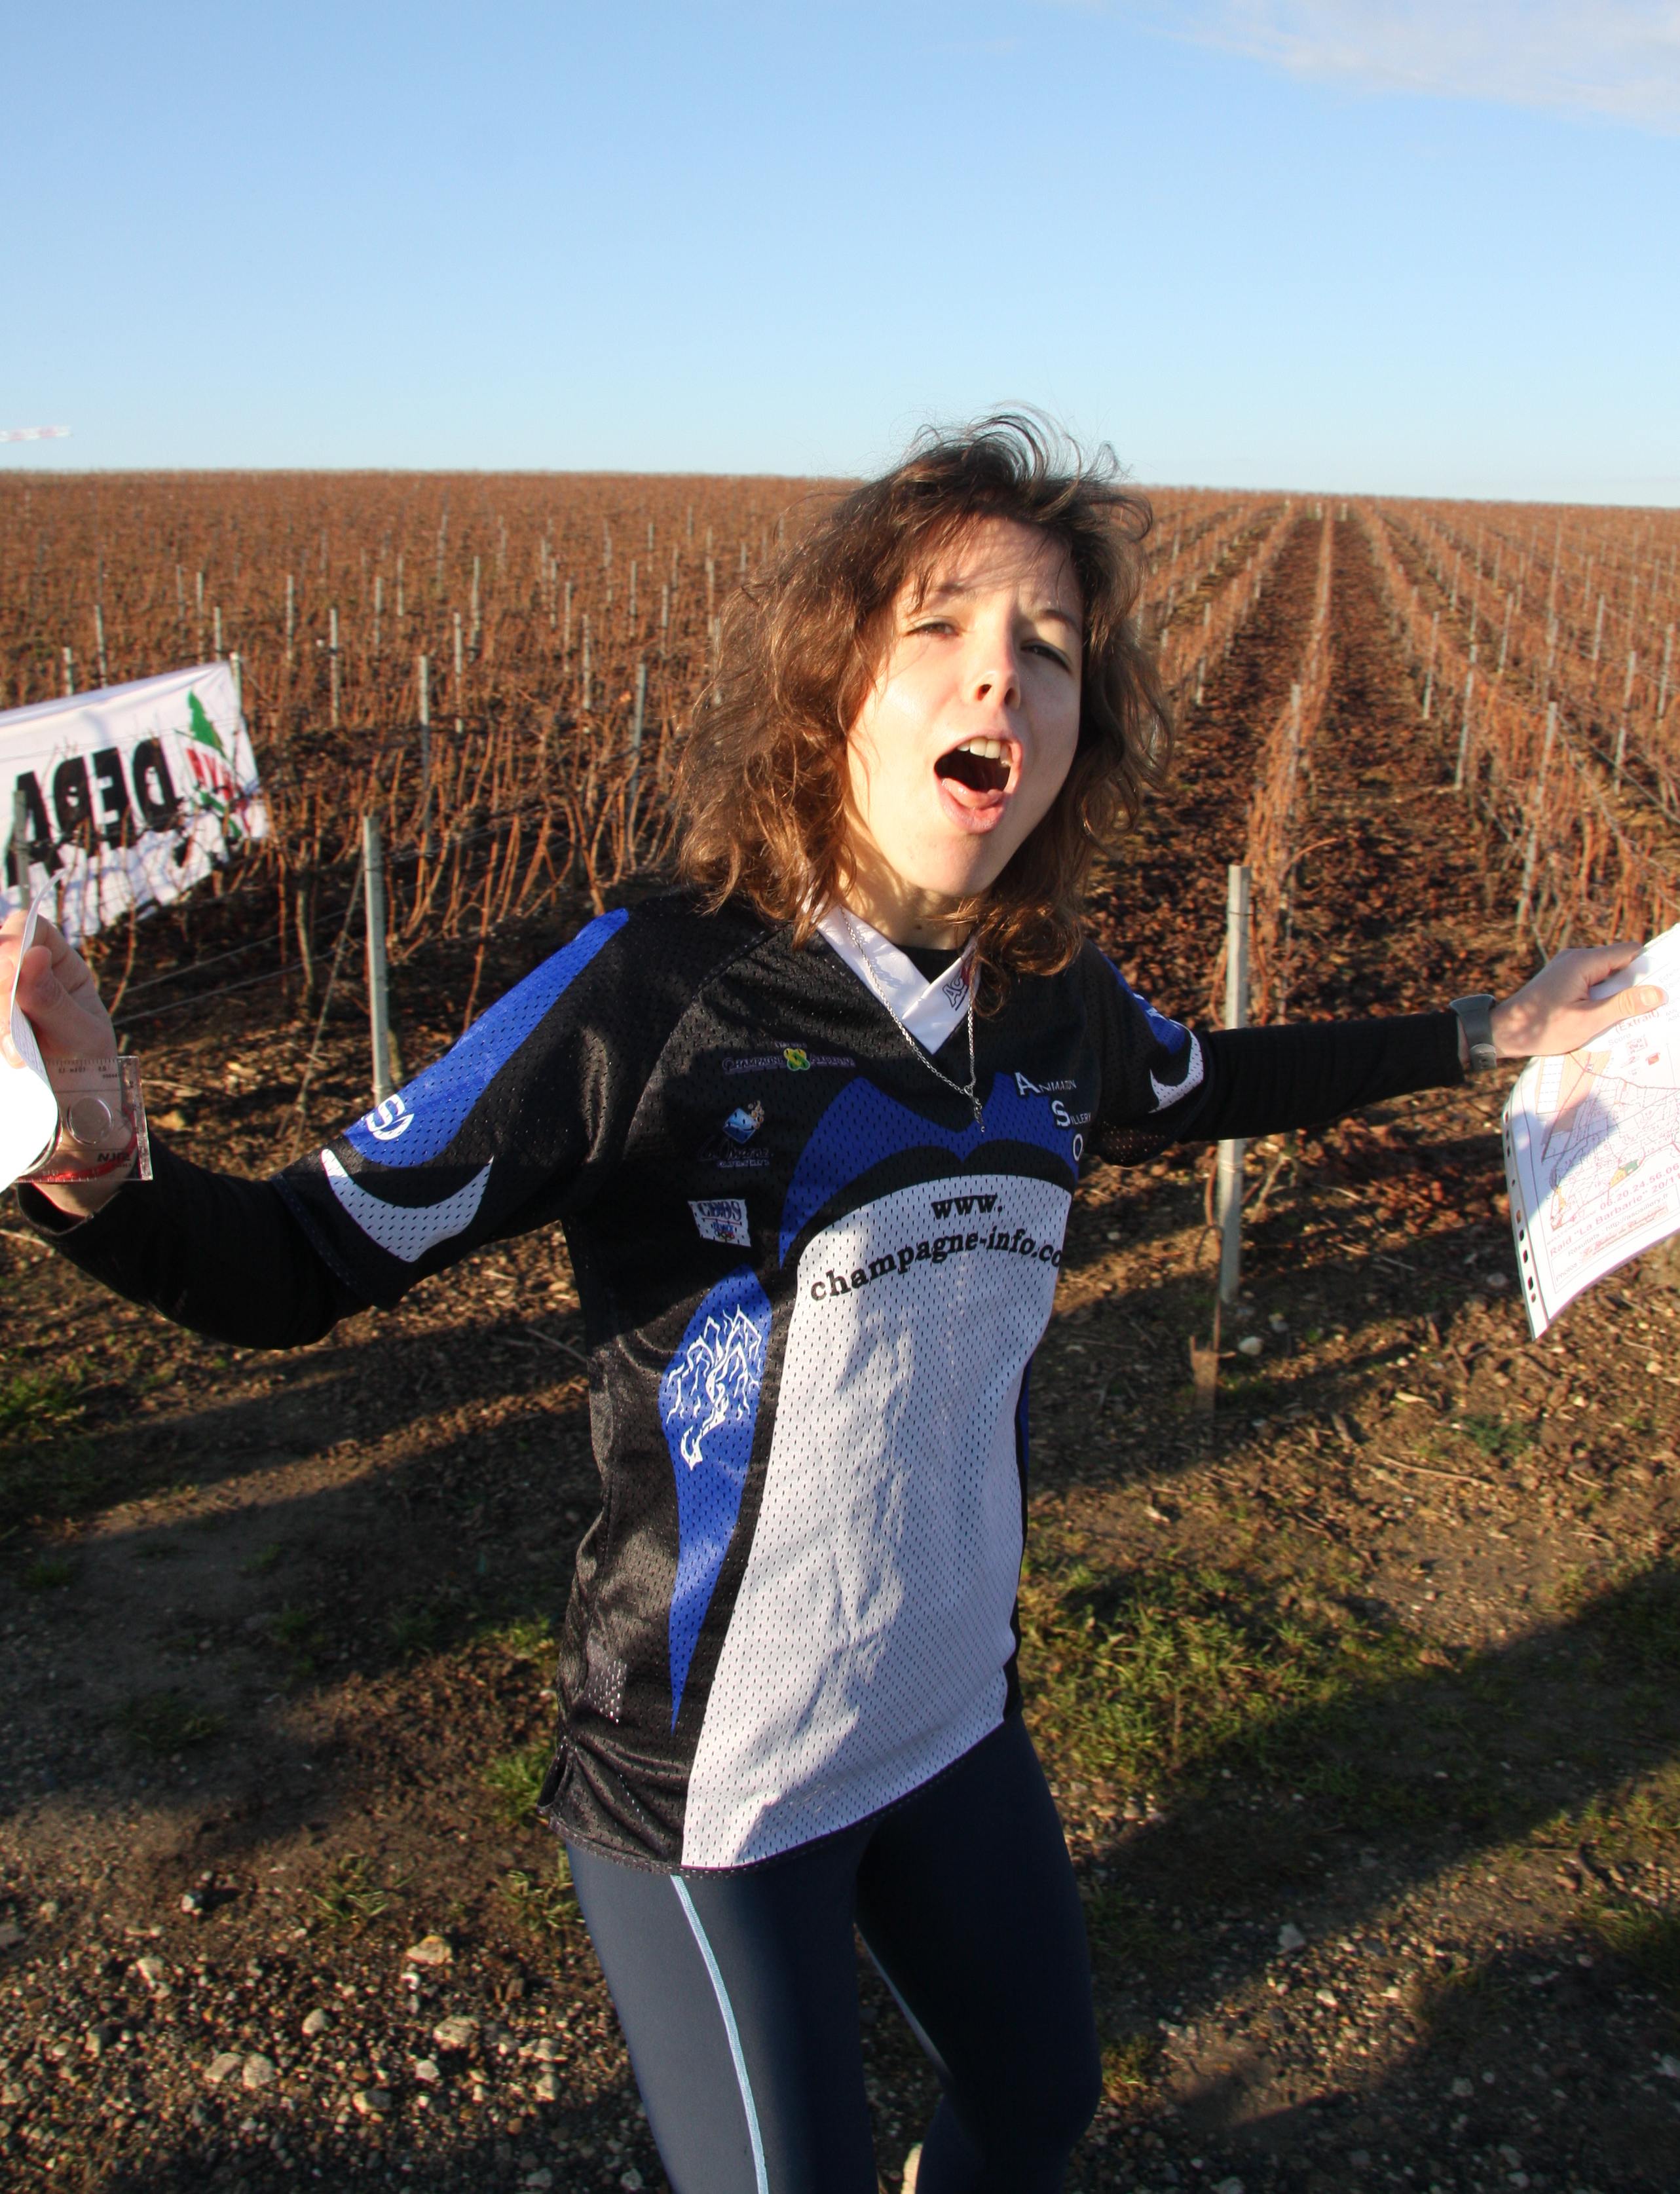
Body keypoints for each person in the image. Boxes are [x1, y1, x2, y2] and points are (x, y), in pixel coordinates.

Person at [2, 417, 1661, 2194]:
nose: (1000, 677)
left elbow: (1205, 1088)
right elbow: (294, 1265)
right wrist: (86, 1156)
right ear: (834, 690)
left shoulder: (1050, 994)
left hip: (950, 1716)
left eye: (1049, 647)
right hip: (713, 1780)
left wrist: (1493, 1028)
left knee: (1040, 2106)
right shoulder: (655, 990)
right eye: (940, 628)